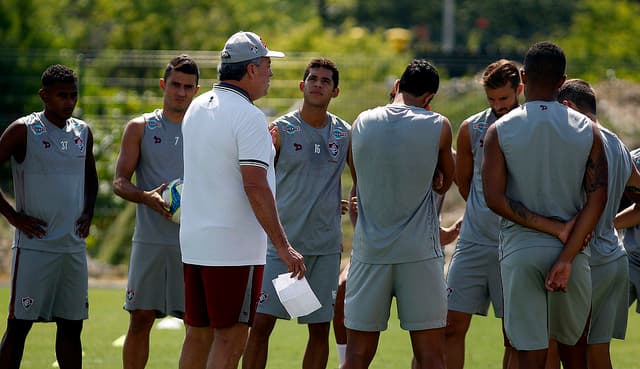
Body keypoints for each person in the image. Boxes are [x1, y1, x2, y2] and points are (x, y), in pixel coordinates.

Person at [178, 31, 306, 369]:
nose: (270, 73)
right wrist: (283, 246)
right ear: (250, 69)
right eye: (266, 65)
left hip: (195, 241)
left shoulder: (196, 106)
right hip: (233, 247)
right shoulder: (248, 116)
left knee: (198, 333)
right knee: (231, 336)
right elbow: (255, 186)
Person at [482, 41, 608, 369]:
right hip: (573, 251)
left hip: (520, 252)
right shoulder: (589, 131)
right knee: (575, 351)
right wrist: (566, 256)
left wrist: (551, 227)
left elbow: (493, 198)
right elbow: (598, 197)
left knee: (530, 353)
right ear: (562, 80)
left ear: (523, 77)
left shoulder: (499, 131)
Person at [344, 59, 455, 369]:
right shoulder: (439, 125)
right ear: (429, 99)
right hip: (419, 253)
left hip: (370, 252)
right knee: (431, 356)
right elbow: (446, 179)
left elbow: (358, 181)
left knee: (355, 357)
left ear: (395, 86)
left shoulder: (361, 122)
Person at [242, 58, 350, 369]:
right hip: (281, 248)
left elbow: (362, 178)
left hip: (325, 249)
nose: (318, 83)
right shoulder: (280, 130)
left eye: (325, 80)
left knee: (319, 330)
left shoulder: (345, 133)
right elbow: (257, 182)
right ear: (302, 85)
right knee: (261, 326)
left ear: (335, 91)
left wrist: (348, 201)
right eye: (313, 78)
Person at [0, 64, 98, 369]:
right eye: (61, 96)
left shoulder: (83, 132)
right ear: (44, 96)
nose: (69, 102)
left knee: (71, 328)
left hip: (72, 249)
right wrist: (13, 216)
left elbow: (91, 178)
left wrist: (88, 212)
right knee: (19, 327)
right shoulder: (23, 130)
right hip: (34, 249)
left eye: (73, 95)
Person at [112, 55, 200, 369]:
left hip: (194, 245)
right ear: (164, 85)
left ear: (196, 90)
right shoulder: (140, 126)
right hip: (149, 241)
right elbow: (119, 182)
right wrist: (145, 197)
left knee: (197, 326)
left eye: (188, 87)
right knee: (140, 319)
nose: (181, 92)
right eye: (175, 85)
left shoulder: (205, 130)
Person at [557, 79, 640, 369]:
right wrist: (611, 223)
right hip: (614, 259)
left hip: (584, 260)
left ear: (567, 107)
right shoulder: (618, 143)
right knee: (598, 353)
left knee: (559, 349)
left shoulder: (579, 142)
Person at [446, 59, 522, 369]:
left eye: (503, 98)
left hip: (516, 245)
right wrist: (482, 208)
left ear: (519, 89)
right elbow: (464, 182)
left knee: (514, 336)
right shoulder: (471, 127)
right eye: (491, 100)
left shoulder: (531, 125)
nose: (497, 106)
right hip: (473, 243)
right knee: (450, 327)